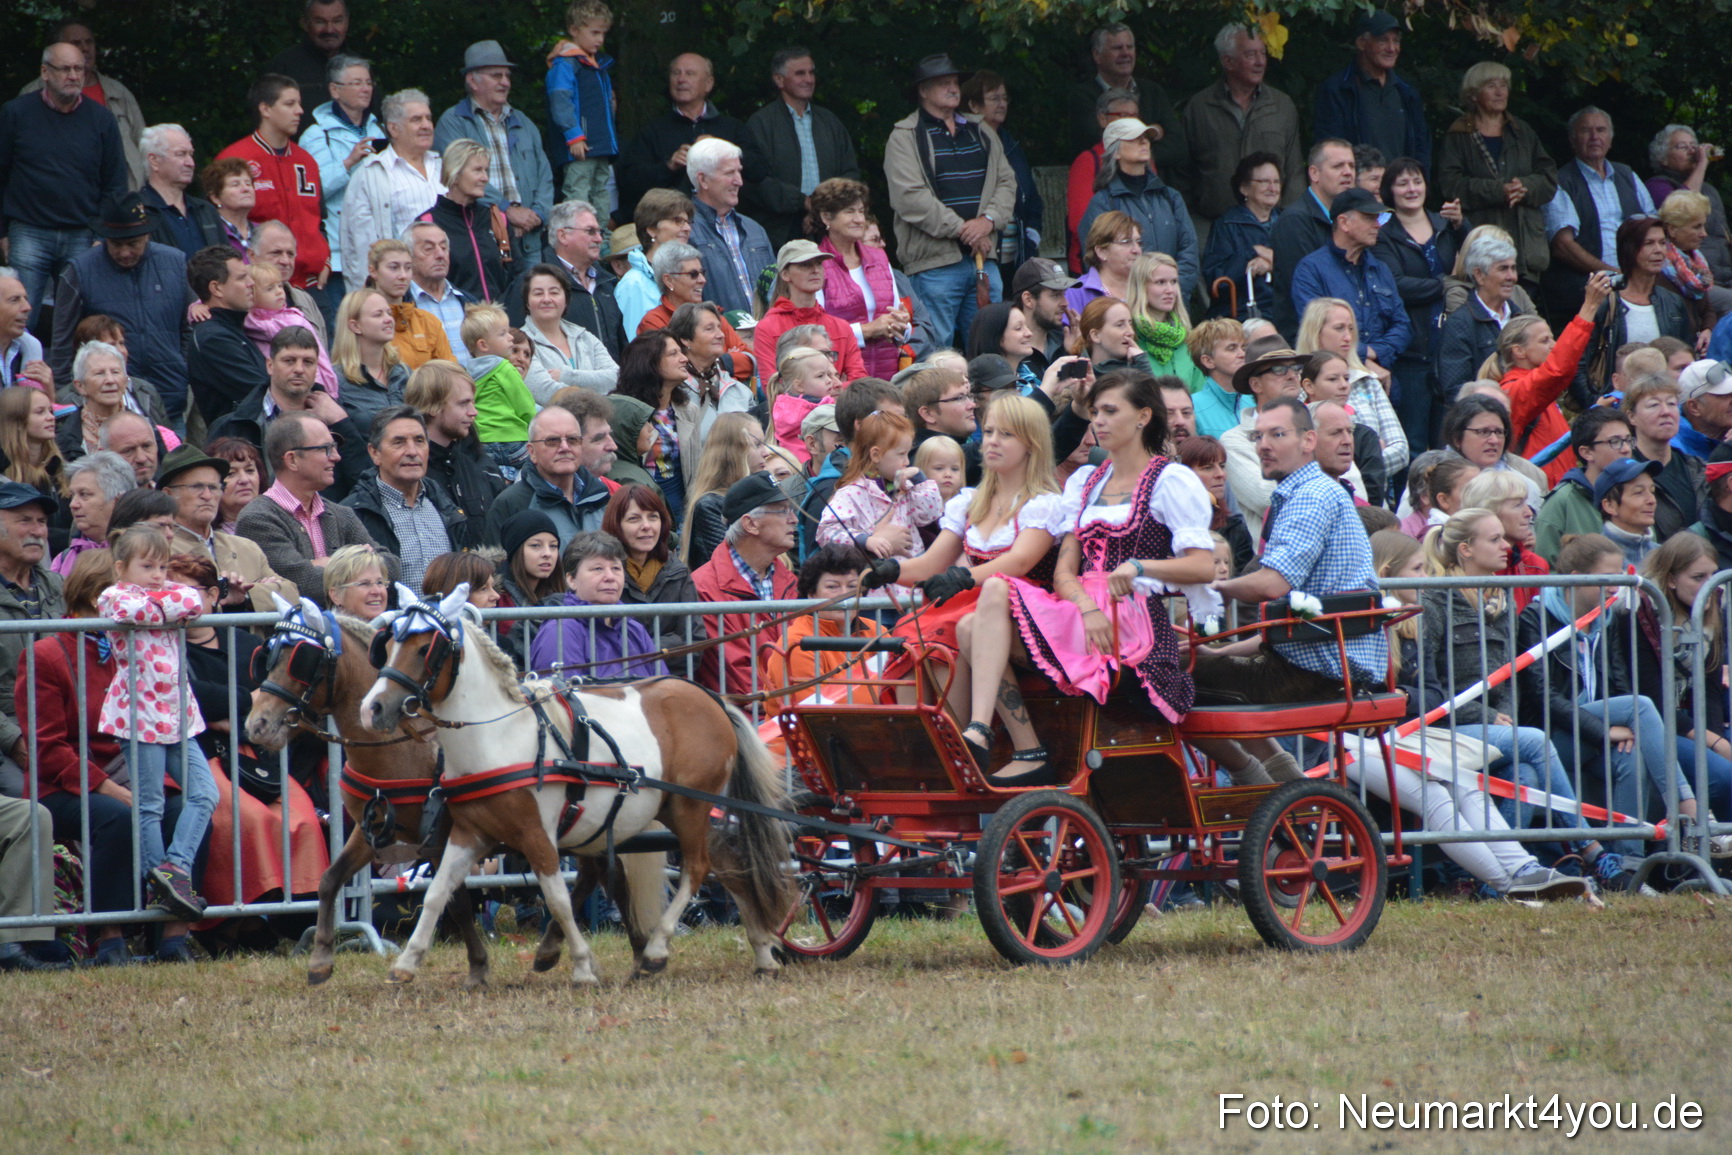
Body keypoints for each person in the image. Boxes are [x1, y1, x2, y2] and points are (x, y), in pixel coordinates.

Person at [971, 372, 1216, 784]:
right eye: (1096, 411)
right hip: (1083, 613)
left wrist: (1141, 567)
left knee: (991, 595)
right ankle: (1009, 741)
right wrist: (1086, 608)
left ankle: (1005, 740)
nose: (1098, 421)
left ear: (1143, 417)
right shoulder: (1086, 481)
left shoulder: (1170, 480)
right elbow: (1065, 572)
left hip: (1134, 624)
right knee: (973, 621)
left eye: (1110, 411)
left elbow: (1203, 566)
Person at [1366, 529, 1592, 899]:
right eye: (1418, 570)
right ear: (1387, 573)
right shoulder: (1360, 626)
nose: (1426, 579)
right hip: (1355, 744)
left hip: (1411, 735)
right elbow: (1362, 697)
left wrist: (1402, 697)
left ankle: (1524, 870)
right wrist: (1400, 700)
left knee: (1467, 784)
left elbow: (1433, 694)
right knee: (1436, 796)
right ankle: (1509, 885)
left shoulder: (1411, 623)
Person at [1201, 397, 1387, 783]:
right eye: (1258, 436)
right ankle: (1287, 790)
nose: (1263, 445)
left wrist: (1214, 586)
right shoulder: (1310, 493)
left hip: (1321, 671)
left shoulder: (1311, 497)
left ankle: (1258, 782)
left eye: (1277, 434)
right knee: (1195, 668)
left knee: (1167, 679)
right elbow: (1291, 624)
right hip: (1322, 662)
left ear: (1308, 441)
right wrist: (1216, 652)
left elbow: (1272, 584)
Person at [1520, 532, 1699, 868]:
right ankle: (1688, 805)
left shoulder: (1607, 617)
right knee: (1639, 705)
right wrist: (1603, 730)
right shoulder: (1536, 617)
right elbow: (1543, 696)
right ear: (1576, 579)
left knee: (1631, 757)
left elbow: (1617, 682)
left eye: (1620, 576)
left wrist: (1616, 728)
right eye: (1607, 578)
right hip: (1553, 734)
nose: (1616, 587)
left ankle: (1628, 864)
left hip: (1591, 729)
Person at [169, 550, 327, 919]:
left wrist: (226, 713)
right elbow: (191, 700)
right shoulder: (165, 647)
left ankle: (302, 916)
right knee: (249, 819)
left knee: (302, 817)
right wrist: (245, 701)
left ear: (213, 595)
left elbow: (271, 704)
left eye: (186, 592)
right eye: (168, 593)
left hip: (257, 756)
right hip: (202, 756)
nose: (176, 602)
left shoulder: (245, 643)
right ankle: (240, 920)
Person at [96, 524, 219, 922]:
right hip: (139, 714)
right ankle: (158, 878)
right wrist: (166, 608)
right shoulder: (113, 595)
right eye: (147, 566)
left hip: (178, 715)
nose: (157, 575)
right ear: (121, 568)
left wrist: (162, 605)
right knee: (150, 803)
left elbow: (193, 602)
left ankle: (174, 869)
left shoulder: (169, 593)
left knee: (206, 793)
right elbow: (128, 611)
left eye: (163, 567)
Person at [885, 54, 1017, 347]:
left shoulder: (981, 130)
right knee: (935, 351)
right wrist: (965, 230)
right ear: (923, 90)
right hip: (934, 265)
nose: (953, 88)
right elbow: (909, 197)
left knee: (991, 346)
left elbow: (1007, 182)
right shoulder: (904, 136)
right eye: (943, 83)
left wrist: (988, 221)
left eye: (955, 82)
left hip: (984, 260)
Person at [0, 42, 127, 316]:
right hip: (28, 231)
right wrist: (2, 233)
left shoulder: (102, 119)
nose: (73, 75)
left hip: (83, 234)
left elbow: (115, 183)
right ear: (45, 72)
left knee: (81, 320)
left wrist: (102, 235)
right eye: (65, 69)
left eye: (79, 69)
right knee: (19, 317)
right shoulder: (16, 113)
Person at [47, 191, 191, 425]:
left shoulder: (175, 263)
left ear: (147, 235)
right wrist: (66, 404)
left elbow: (189, 327)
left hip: (169, 400)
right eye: (115, 244)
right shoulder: (80, 270)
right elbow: (63, 342)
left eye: (133, 244)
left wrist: (182, 368)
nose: (124, 252)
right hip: (101, 408)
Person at [1626, 533, 1732, 840]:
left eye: (1713, 575)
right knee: (1722, 776)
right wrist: (1715, 744)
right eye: (1698, 577)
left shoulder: (1713, 602)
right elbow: (1651, 698)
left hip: (1691, 721)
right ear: (1671, 579)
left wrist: (1715, 739)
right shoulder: (1640, 611)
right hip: (1653, 725)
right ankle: (1699, 851)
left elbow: (1710, 687)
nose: (1710, 585)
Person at [206, 326, 367, 503]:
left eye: (308, 362)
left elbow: (365, 485)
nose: (299, 369)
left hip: (325, 515)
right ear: (270, 365)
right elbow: (213, 488)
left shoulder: (339, 420)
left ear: (317, 368)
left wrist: (341, 424)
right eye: (289, 361)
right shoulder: (233, 425)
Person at [433, 41, 555, 267]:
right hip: (482, 236)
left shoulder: (524, 123)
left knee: (535, 290)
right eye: (496, 76)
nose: (505, 82)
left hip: (529, 239)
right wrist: (507, 211)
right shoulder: (453, 122)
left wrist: (537, 215)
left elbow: (545, 176)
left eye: (507, 76)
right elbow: (459, 175)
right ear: (473, 81)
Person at [235, 413, 375, 608]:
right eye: (325, 449)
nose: (336, 457)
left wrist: (329, 564)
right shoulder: (257, 519)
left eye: (334, 447)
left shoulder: (342, 513)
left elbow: (391, 567)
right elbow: (302, 585)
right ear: (292, 460)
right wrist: (360, 566)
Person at [1377, 159, 1464, 454]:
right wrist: (1446, 285)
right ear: (1389, 191)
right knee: (1412, 441)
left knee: (1450, 439)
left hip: (1451, 346)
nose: (1412, 189)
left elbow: (1475, 263)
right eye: (1402, 183)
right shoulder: (1384, 233)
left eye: (1417, 181)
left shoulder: (1445, 224)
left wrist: (1461, 225)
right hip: (1412, 350)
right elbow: (1396, 285)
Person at [1494, 272, 1616, 483]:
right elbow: (1557, 369)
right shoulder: (1514, 391)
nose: (1554, 345)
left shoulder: (1536, 389)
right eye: (1544, 341)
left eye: (1552, 338)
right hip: (1538, 493)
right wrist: (1589, 307)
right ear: (1519, 351)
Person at [1541, 107, 1658, 325]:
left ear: (1610, 139)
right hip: (1587, 286)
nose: (1594, 137)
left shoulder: (1627, 175)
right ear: (1573, 140)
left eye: (1601, 130)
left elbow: (1654, 227)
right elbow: (1563, 246)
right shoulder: (1561, 181)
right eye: (1586, 131)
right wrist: (1615, 274)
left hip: (1638, 277)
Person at [614, 52, 765, 219]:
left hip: (726, 220)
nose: (681, 79)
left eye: (690, 73)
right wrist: (669, 167)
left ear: (708, 84)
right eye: (676, 73)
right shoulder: (653, 129)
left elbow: (759, 171)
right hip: (670, 222)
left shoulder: (732, 128)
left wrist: (723, 151)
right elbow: (630, 182)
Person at [1183, 24, 1303, 231]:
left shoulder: (1281, 105)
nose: (1260, 62)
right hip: (1211, 225)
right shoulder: (1200, 107)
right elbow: (1183, 171)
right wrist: (1190, 220)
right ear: (1227, 61)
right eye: (1250, 54)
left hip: (1272, 225)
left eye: (1263, 53)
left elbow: (1294, 171)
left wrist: (1290, 221)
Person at [217, 75, 329, 292]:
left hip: (312, 284)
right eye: (290, 104)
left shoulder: (307, 161)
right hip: (260, 285)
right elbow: (219, 222)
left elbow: (320, 220)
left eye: (299, 103)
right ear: (265, 109)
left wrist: (326, 259)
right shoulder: (235, 160)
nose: (300, 111)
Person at [1290, 188, 1412, 386]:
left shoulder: (1380, 269)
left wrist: (1373, 353)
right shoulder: (1311, 269)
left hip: (1383, 379)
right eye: (1369, 218)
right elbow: (1315, 329)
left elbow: (1403, 325)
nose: (1377, 225)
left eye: (1378, 218)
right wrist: (1363, 360)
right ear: (1344, 222)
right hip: (1330, 383)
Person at [691, 471, 799, 694]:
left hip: (790, 705)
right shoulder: (705, 588)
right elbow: (741, 682)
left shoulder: (789, 581)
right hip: (750, 712)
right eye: (782, 511)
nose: (794, 519)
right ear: (750, 524)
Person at [747, 48, 861, 251]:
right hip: (779, 231)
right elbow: (756, 180)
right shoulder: (761, 123)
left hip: (829, 227)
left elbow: (850, 173)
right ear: (779, 80)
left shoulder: (830, 122)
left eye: (811, 72)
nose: (809, 79)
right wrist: (802, 202)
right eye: (800, 73)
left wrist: (823, 209)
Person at [340, 406, 465, 589]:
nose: (412, 451)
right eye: (399, 442)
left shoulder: (447, 507)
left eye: (419, 441)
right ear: (374, 453)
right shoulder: (353, 514)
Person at [161, 443, 294, 611]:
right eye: (197, 487)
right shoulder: (157, 549)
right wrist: (255, 592)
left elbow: (292, 594)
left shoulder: (247, 547)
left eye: (214, 487)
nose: (207, 496)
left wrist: (247, 596)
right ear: (168, 495)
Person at [816, 411, 944, 584]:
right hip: (874, 586)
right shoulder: (851, 493)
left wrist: (919, 479)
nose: (907, 462)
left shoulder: (907, 488)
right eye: (901, 454)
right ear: (876, 454)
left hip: (910, 582)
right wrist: (866, 540)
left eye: (908, 454)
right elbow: (827, 532)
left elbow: (931, 514)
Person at [1079, 118, 1198, 298]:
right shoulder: (1103, 202)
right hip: (1127, 304)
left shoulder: (1170, 197)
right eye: (1134, 138)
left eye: (1146, 137)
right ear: (1115, 152)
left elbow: (1189, 249)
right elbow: (1096, 261)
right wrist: (1131, 299)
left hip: (1171, 301)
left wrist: (1172, 292)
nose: (1144, 142)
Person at [20, 20, 146, 190]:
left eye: (89, 42)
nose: (85, 48)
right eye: (76, 43)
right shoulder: (30, 94)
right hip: (56, 196)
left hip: (119, 197)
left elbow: (144, 147)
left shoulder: (118, 92)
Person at [338, 88, 443, 291]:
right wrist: (368, 296)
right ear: (394, 129)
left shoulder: (444, 167)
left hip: (445, 284)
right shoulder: (371, 174)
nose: (426, 125)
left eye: (428, 118)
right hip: (400, 288)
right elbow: (358, 247)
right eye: (416, 120)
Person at [804, 180, 909, 380]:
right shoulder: (816, 263)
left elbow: (896, 316)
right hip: (840, 377)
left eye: (861, 211)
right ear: (826, 217)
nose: (859, 219)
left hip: (888, 375)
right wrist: (867, 330)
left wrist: (901, 324)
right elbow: (813, 332)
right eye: (850, 212)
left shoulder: (879, 257)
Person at [1294, 296, 1409, 477]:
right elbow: (1297, 456)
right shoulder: (1295, 386)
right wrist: (1369, 458)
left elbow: (1400, 450)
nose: (1348, 337)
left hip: (1373, 491)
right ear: (1316, 331)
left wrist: (1354, 469)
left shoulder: (1368, 381)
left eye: (1351, 329)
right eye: (1339, 328)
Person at [300, 54, 384, 301]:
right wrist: (348, 162)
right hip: (338, 254)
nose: (365, 89)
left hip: (378, 252)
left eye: (368, 82)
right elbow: (314, 191)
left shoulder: (379, 130)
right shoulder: (317, 134)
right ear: (335, 90)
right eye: (357, 83)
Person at [529, 531, 667, 678]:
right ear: (571, 580)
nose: (610, 577)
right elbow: (563, 690)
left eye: (616, 568)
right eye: (598, 569)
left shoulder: (634, 629)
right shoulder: (559, 632)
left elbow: (663, 685)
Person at [1064, 23, 1189, 184]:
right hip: (1107, 188)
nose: (1125, 53)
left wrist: (1128, 150)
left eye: (1130, 47)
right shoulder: (1083, 97)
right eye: (1117, 48)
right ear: (1097, 55)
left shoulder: (1153, 92)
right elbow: (1097, 144)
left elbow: (1178, 147)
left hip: (1155, 189)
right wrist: (1152, 133)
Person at [401, 359, 505, 549]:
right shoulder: (407, 474)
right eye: (463, 404)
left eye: (473, 402)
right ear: (432, 406)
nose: (474, 412)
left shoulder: (480, 466)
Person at [1312, 10, 1429, 172]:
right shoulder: (1338, 90)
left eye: (1396, 41)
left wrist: (1418, 181)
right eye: (1383, 40)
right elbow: (1331, 152)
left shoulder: (1407, 93)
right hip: (1357, 185)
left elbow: (1421, 149)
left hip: (1401, 185)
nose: (1392, 48)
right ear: (1361, 43)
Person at [508, 199, 626, 359]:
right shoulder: (530, 284)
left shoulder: (607, 283)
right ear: (563, 236)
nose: (599, 239)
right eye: (590, 231)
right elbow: (515, 345)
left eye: (600, 232)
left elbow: (621, 345)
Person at [602, 482, 702, 656]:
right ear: (616, 525)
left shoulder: (678, 572)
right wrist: (671, 642)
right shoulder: (604, 574)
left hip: (669, 674)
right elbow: (604, 647)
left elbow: (693, 646)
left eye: (653, 517)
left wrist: (636, 650)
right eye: (634, 519)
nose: (646, 526)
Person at [1269, 139, 1357, 337]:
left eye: (1351, 166)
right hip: (1308, 339)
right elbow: (1308, 291)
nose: (1348, 172)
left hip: (1346, 333)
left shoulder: (1352, 218)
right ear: (1314, 173)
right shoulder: (1294, 221)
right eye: (1338, 166)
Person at [610, 330, 699, 522]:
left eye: (681, 352)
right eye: (673, 354)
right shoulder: (624, 413)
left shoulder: (688, 410)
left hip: (684, 514)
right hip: (641, 512)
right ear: (649, 363)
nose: (684, 358)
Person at [962, 70, 1043, 274]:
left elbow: (1031, 198)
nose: (1002, 104)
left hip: (1017, 257)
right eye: (995, 98)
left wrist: (1032, 237)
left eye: (1005, 98)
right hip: (980, 255)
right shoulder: (964, 146)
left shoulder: (1011, 145)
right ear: (973, 105)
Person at [683, 137, 775, 317]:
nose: (739, 181)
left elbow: (777, 289)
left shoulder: (754, 230)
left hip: (765, 333)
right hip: (716, 333)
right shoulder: (685, 230)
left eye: (739, 171)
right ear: (703, 180)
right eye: (729, 173)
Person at [1434, 232, 1528, 400]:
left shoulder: (1520, 318)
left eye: (1513, 268)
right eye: (1503, 269)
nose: (1511, 277)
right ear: (1479, 275)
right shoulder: (1459, 324)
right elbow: (1455, 390)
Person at [1534, 406, 1635, 563]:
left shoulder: (1640, 494)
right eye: (1615, 442)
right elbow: (1546, 568)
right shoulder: (1562, 501)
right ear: (1587, 452)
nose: (1626, 449)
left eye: (1628, 440)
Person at [754, 240, 868, 379]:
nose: (815, 270)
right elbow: (773, 385)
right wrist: (836, 386)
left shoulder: (842, 327)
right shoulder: (767, 328)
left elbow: (859, 382)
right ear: (785, 275)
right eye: (805, 265)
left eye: (819, 263)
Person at [544, 1, 619, 209]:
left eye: (603, 33)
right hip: (580, 146)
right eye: (594, 33)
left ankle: (600, 228)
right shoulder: (565, 64)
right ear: (574, 30)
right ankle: (576, 228)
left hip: (601, 145)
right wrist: (574, 136)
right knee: (578, 192)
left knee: (601, 192)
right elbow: (560, 102)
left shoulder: (599, 66)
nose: (600, 39)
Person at [1647, 125, 1732, 299]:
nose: (1693, 151)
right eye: (1682, 147)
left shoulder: (1709, 190)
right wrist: (1703, 163)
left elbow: (1723, 234)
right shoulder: (1657, 185)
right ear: (1662, 158)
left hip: (1726, 272)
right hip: (1694, 277)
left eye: (1694, 145)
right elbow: (1684, 205)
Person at [185, 246, 266, 424]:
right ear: (216, 288)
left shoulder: (232, 327)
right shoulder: (213, 339)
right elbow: (261, 394)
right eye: (242, 278)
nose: (251, 283)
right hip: (240, 439)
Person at [1065, 89, 1142, 276]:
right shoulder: (1088, 161)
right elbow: (1080, 223)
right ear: (1102, 119)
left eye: (1134, 116)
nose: (1130, 122)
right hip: (1096, 268)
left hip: (1140, 265)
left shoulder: (1144, 160)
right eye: (1122, 116)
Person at [423, 139, 508, 304]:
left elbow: (516, 274)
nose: (485, 178)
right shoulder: (428, 223)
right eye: (477, 170)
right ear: (454, 173)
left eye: (486, 170)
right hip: (453, 315)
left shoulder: (496, 218)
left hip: (499, 316)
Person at [680, 412, 770, 565]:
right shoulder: (710, 505)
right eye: (757, 445)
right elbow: (737, 564)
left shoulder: (761, 492)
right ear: (733, 452)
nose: (766, 453)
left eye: (764, 444)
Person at [1201, 152, 1283, 321]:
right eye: (1264, 182)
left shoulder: (1288, 222)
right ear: (1244, 188)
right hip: (1241, 314)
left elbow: (1306, 269)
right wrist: (1251, 259)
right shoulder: (1226, 225)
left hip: (1285, 312)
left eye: (1276, 182)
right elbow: (1216, 280)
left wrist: (1272, 262)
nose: (1273, 188)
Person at [519, 264, 618, 402]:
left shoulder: (585, 337)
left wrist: (565, 376)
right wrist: (595, 387)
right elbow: (544, 391)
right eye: (538, 293)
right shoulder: (520, 344)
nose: (546, 299)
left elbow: (615, 378)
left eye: (554, 292)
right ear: (527, 302)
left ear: (566, 300)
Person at [1623, 370, 1703, 541]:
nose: (1666, 412)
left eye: (1672, 403)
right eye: (1654, 405)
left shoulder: (1699, 468)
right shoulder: (1623, 476)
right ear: (1632, 417)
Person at [1302, 354, 1387, 506]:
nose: (1344, 385)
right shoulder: (1292, 429)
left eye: (1347, 378)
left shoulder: (1364, 436)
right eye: (1332, 379)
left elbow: (1374, 493)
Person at [1460, 467, 1549, 608]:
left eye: (1526, 503)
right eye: (1518, 505)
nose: (1529, 513)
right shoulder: (1452, 568)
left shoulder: (1535, 566)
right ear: (1489, 512)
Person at [138, 124, 223, 259]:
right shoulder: (138, 211)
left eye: (191, 154)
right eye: (181, 154)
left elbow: (226, 261)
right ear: (154, 161)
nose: (191, 163)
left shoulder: (206, 210)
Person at [492, 510, 564, 664]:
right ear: (516, 550)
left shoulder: (560, 598)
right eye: (536, 545)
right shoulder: (495, 597)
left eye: (553, 546)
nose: (547, 553)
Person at [1126, 252, 1204, 390]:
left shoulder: (1188, 339)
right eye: (1160, 282)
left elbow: (1198, 392)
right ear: (1141, 286)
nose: (1170, 290)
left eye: (1174, 282)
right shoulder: (1128, 336)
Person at [1177, 434, 1253, 572]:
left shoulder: (1235, 529)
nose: (1220, 474)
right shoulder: (1163, 526)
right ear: (1184, 474)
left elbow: (1244, 579)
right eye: (1207, 467)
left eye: (1222, 466)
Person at [1657, 190, 1728, 334]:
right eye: (1696, 227)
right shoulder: (1659, 266)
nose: (1704, 234)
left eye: (1703, 226)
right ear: (1672, 229)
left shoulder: (1696, 260)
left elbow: (1707, 307)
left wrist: (1708, 329)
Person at [50, 450, 130, 575]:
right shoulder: (63, 559)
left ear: (117, 500)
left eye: (84, 494)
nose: (73, 504)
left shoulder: (142, 554)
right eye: (72, 495)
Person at [264, 0, 358, 100]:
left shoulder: (358, 67)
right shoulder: (283, 67)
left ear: (347, 22)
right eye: (320, 22)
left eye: (337, 21)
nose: (329, 30)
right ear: (304, 23)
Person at [0, 386, 64, 512]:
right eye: (40, 412)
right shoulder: (2, 474)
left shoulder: (59, 470)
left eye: (50, 411)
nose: (51, 417)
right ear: (16, 421)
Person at [1068, 211, 1142, 315]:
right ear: (1101, 252)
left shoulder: (1149, 287)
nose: (1137, 250)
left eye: (1139, 242)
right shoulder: (1077, 292)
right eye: (1126, 242)